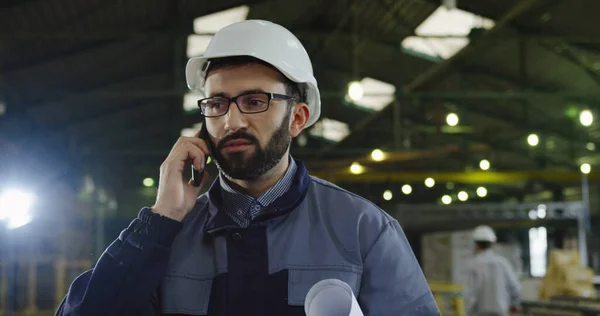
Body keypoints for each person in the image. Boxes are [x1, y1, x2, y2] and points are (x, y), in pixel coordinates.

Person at [55, 20, 439, 316]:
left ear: (297, 118)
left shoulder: (363, 231)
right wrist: (162, 217)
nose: (232, 121)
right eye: (217, 103)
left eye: (255, 100)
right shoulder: (168, 236)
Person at [464, 225, 521, 316]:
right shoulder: (503, 263)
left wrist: (469, 312)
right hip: (501, 312)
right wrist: (514, 303)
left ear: (476, 244)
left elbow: (471, 293)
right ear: (492, 243)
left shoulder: (473, 265)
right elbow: (515, 287)